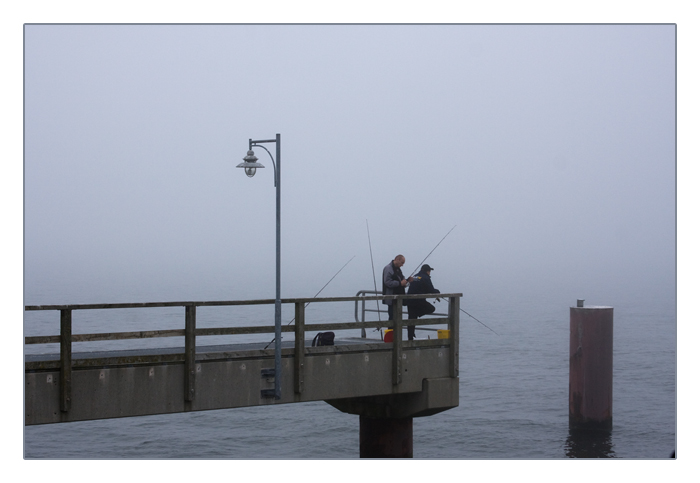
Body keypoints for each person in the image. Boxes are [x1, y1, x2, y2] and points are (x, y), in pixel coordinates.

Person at [405, 264, 441, 340]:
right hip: (419, 301)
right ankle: (418, 313)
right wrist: (437, 291)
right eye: (429, 271)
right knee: (431, 309)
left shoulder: (415, 276)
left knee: (411, 319)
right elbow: (431, 290)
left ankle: (410, 338)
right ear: (427, 271)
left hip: (409, 300)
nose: (430, 273)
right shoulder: (426, 278)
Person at [382, 255, 414, 323]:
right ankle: (391, 332)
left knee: (397, 318)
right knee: (392, 318)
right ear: (397, 259)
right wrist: (400, 283)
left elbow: (401, 280)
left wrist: (407, 281)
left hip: (398, 298)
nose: (402, 265)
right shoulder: (388, 268)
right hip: (391, 298)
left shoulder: (398, 269)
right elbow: (387, 282)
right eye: (402, 263)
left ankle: (396, 333)